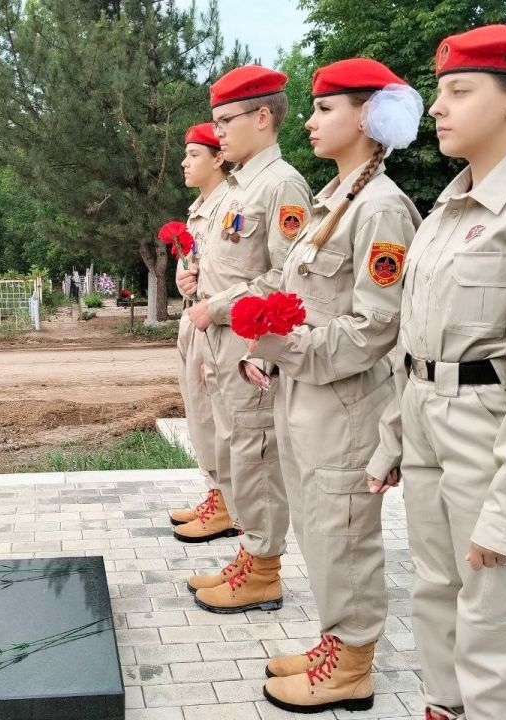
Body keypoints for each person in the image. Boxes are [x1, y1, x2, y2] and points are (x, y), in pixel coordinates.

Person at [363, 25, 506, 720]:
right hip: (431, 426)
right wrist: (393, 437)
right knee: (436, 595)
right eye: (440, 92)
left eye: (460, 91)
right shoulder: (446, 209)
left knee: (495, 625)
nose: (436, 107)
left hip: (495, 443)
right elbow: (417, 345)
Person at [241, 58, 422, 713]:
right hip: (306, 395)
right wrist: (266, 335)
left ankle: (351, 667)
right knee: (319, 530)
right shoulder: (335, 200)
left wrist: (283, 346)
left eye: (325, 108)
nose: (311, 122)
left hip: (345, 403)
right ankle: (334, 643)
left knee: (344, 536)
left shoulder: (381, 209)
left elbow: (376, 328)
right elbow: (304, 299)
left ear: (369, 116)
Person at [176, 65, 312, 612]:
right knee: (235, 447)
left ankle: (264, 570)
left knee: (255, 454)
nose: (219, 132)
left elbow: (287, 277)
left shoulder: (281, 185)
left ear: (262, 117)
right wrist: (198, 285)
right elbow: (229, 265)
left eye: (226, 120)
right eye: (216, 121)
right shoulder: (238, 186)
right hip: (220, 339)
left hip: (249, 343)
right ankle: (251, 556)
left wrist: (217, 306)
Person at [169, 123, 241, 542]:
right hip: (194, 318)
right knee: (199, 413)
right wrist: (183, 280)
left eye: (194, 154)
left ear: (218, 159)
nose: (185, 162)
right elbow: (196, 267)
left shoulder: (231, 205)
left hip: (219, 324)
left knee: (219, 417)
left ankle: (228, 504)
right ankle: (216, 493)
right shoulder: (199, 211)